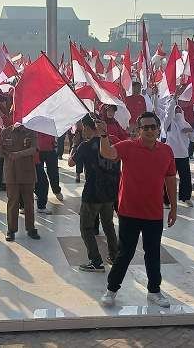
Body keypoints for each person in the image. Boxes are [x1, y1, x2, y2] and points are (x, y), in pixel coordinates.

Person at [98, 111, 177, 308]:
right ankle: (111, 289)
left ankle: (154, 291)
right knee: (125, 253)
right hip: (129, 211)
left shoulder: (166, 151)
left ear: (159, 129)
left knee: (153, 253)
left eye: (153, 127)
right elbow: (107, 153)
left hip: (154, 213)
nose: (150, 130)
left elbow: (170, 179)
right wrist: (103, 135)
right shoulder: (128, 146)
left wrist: (174, 207)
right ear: (138, 130)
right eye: (145, 127)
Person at [69, 113, 119, 272]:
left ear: (91, 128)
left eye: (85, 128)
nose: (83, 132)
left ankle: (96, 261)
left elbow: (71, 163)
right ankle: (114, 255)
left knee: (86, 227)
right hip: (110, 192)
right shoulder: (112, 142)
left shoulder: (84, 146)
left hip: (92, 193)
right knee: (108, 225)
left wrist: (74, 146)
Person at [0, 123, 40, 242]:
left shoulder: (30, 131)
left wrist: (18, 154)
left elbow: (33, 149)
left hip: (27, 171)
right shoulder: (5, 132)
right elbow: (0, 154)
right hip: (11, 172)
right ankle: (11, 229)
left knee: (29, 202)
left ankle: (31, 228)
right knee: (12, 202)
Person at [163, 104, 194, 208]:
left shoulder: (186, 124)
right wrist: (174, 100)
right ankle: (166, 200)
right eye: (175, 110)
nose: (177, 111)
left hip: (183, 156)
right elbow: (168, 114)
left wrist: (190, 131)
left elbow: (193, 139)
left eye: (179, 109)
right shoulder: (169, 123)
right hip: (171, 156)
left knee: (185, 178)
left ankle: (185, 197)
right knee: (168, 178)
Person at [35, 132, 64, 214]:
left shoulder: (50, 122)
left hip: (50, 149)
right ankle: (38, 193)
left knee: (53, 173)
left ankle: (56, 190)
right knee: (40, 176)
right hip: (38, 150)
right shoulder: (35, 122)